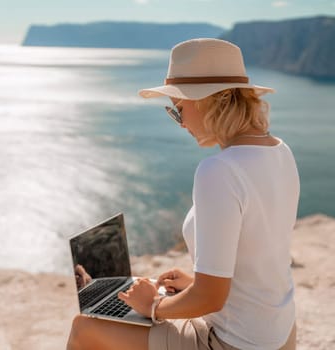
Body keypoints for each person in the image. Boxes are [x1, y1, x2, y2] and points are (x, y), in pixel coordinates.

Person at [67, 38, 300, 350]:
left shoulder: (219, 171)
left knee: (85, 328)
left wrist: (153, 306)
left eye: (178, 110)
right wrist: (195, 284)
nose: (180, 123)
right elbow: (257, 260)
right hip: (278, 335)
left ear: (211, 101)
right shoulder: (279, 150)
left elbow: (210, 298)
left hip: (236, 344)